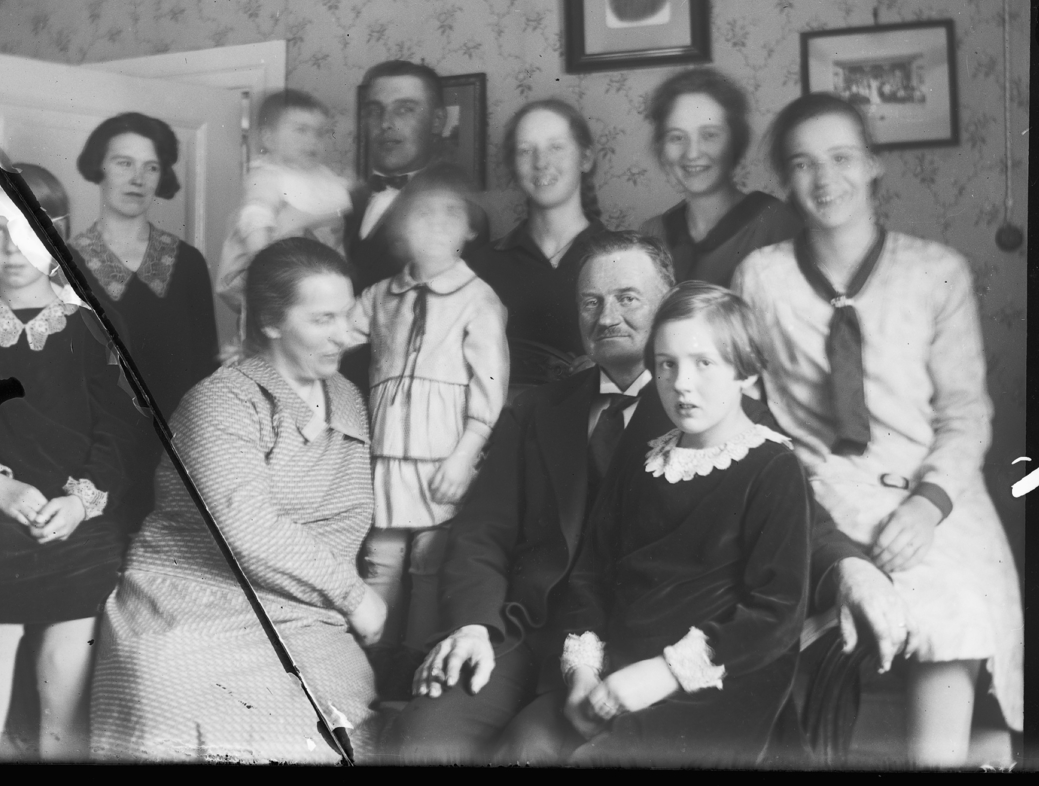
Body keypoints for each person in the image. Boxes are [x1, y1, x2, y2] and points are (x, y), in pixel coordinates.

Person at [382, 232, 894, 765]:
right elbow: (481, 531)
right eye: (590, 302)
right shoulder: (536, 409)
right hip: (525, 633)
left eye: (627, 298)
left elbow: (797, 519)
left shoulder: (715, 411)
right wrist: (474, 625)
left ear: (667, 303)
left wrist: (852, 570)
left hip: (639, 642)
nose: (607, 317)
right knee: (420, 743)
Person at [733, 93, 1024, 768]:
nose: (824, 179)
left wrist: (927, 505)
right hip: (826, 486)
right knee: (936, 605)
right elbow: (749, 405)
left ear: (872, 164)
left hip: (936, 488)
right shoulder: (763, 276)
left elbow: (965, 413)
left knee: (972, 612)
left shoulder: (935, 270)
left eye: (841, 158)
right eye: (803, 163)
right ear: (786, 179)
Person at [90, 238, 385, 764]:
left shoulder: (348, 399)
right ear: (270, 321)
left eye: (347, 315)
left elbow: (344, 521)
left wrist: (339, 599)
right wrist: (354, 595)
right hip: (189, 603)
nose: (345, 335)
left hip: (304, 618)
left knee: (330, 730)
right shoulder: (220, 400)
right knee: (169, 700)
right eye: (323, 319)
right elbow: (245, 527)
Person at [500, 282, 810, 766]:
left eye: (703, 363)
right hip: (621, 669)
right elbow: (590, 577)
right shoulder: (643, 460)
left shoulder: (772, 467)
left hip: (719, 681)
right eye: (666, 364)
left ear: (746, 372)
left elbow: (776, 611)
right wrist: (583, 675)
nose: (681, 383)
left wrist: (662, 674)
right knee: (521, 745)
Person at [0, 164, 132, 759]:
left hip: (76, 517)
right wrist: (2, 490)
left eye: (29, 232)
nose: (13, 249)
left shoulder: (92, 326)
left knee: (68, 648)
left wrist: (80, 502)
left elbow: (119, 432)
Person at [348, 172, 509, 685]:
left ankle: (417, 658)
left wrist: (467, 452)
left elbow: (489, 382)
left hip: (444, 455)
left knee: (429, 559)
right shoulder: (380, 296)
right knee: (381, 556)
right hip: (388, 452)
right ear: (399, 231)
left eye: (451, 214)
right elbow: (331, 333)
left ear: (470, 230)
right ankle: (370, 660)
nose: (437, 224)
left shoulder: (478, 298)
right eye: (422, 213)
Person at [70, 112, 219, 531]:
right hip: (95, 460)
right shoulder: (65, 263)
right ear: (99, 166)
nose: (138, 179)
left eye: (151, 167)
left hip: (177, 455)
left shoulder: (187, 263)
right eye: (124, 163)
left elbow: (206, 373)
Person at [342, 60, 491, 396]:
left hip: (405, 404)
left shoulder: (459, 217)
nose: (386, 123)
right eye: (375, 111)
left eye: (404, 109)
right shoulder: (341, 202)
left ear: (437, 121)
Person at [466, 100, 607, 381]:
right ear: (512, 166)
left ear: (585, 158)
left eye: (556, 147)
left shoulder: (624, 258)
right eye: (525, 150)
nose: (541, 163)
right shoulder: (477, 267)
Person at [215, 89, 352, 353]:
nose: (312, 140)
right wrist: (264, 259)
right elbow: (256, 216)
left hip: (320, 278)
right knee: (275, 343)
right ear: (269, 138)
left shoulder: (323, 177)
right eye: (301, 130)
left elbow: (342, 203)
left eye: (319, 133)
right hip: (279, 272)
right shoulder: (267, 176)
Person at [639, 68, 801, 286]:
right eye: (677, 137)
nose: (692, 153)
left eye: (709, 135)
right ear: (661, 147)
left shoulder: (775, 224)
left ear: (735, 142)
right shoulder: (653, 233)